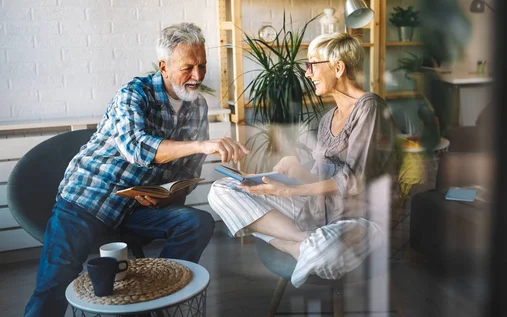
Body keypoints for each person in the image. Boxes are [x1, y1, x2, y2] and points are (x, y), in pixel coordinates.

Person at [24, 22, 248, 317]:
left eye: (202, 66)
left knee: (197, 223)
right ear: (164, 66)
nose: (197, 76)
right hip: (87, 201)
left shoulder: (198, 107)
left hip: (135, 210)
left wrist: (163, 197)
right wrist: (202, 145)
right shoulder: (133, 93)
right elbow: (136, 147)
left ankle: (156, 297)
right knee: (53, 283)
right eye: (188, 67)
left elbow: (187, 174)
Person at [208, 32, 398, 287]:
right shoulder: (327, 118)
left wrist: (290, 189)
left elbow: (354, 180)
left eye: (312, 65)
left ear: (338, 67)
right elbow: (323, 179)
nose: (307, 74)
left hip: (360, 219)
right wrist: (296, 172)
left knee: (323, 251)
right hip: (320, 213)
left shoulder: (369, 108)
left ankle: (300, 245)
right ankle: (301, 243)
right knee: (222, 190)